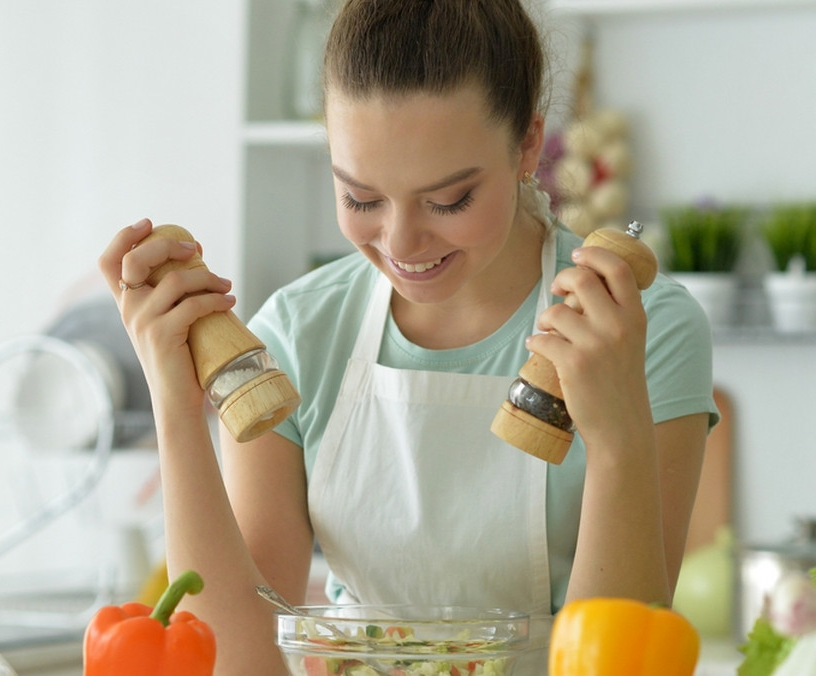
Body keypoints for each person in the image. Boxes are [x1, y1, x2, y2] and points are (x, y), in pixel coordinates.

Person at [98, 1, 719, 673]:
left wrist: (618, 438)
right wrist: (176, 405)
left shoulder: (641, 330)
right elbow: (241, 660)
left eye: (448, 201)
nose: (400, 243)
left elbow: (628, 664)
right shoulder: (302, 330)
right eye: (360, 198)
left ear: (528, 146)